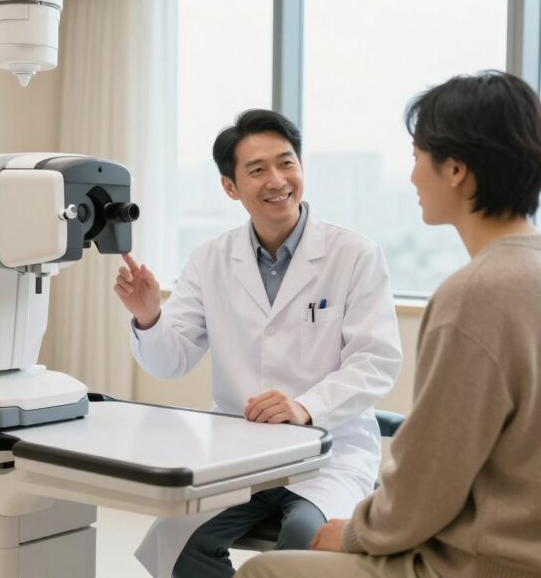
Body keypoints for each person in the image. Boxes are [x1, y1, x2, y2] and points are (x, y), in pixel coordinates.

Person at [235, 71, 541, 578]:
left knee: (264, 569)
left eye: (418, 157)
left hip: (488, 563)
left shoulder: (478, 293)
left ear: (455, 169)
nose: (414, 176)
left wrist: (353, 533)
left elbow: (428, 481)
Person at [116, 109, 403, 578]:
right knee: (173, 539)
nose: (277, 180)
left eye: (286, 163)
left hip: (327, 454)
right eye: (257, 170)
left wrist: (305, 407)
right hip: (240, 456)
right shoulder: (210, 259)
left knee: (304, 542)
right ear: (230, 186)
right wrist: (149, 316)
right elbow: (171, 361)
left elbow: (376, 361)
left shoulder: (354, 254)